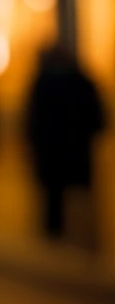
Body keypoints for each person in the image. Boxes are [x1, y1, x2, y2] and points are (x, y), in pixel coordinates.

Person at [26, 43, 106, 238]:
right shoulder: (78, 82)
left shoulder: (46, 83)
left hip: (59, 149)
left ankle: (60, 235)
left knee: (61, 197)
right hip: (69, 149)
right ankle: (71, 235)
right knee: (67, 195)